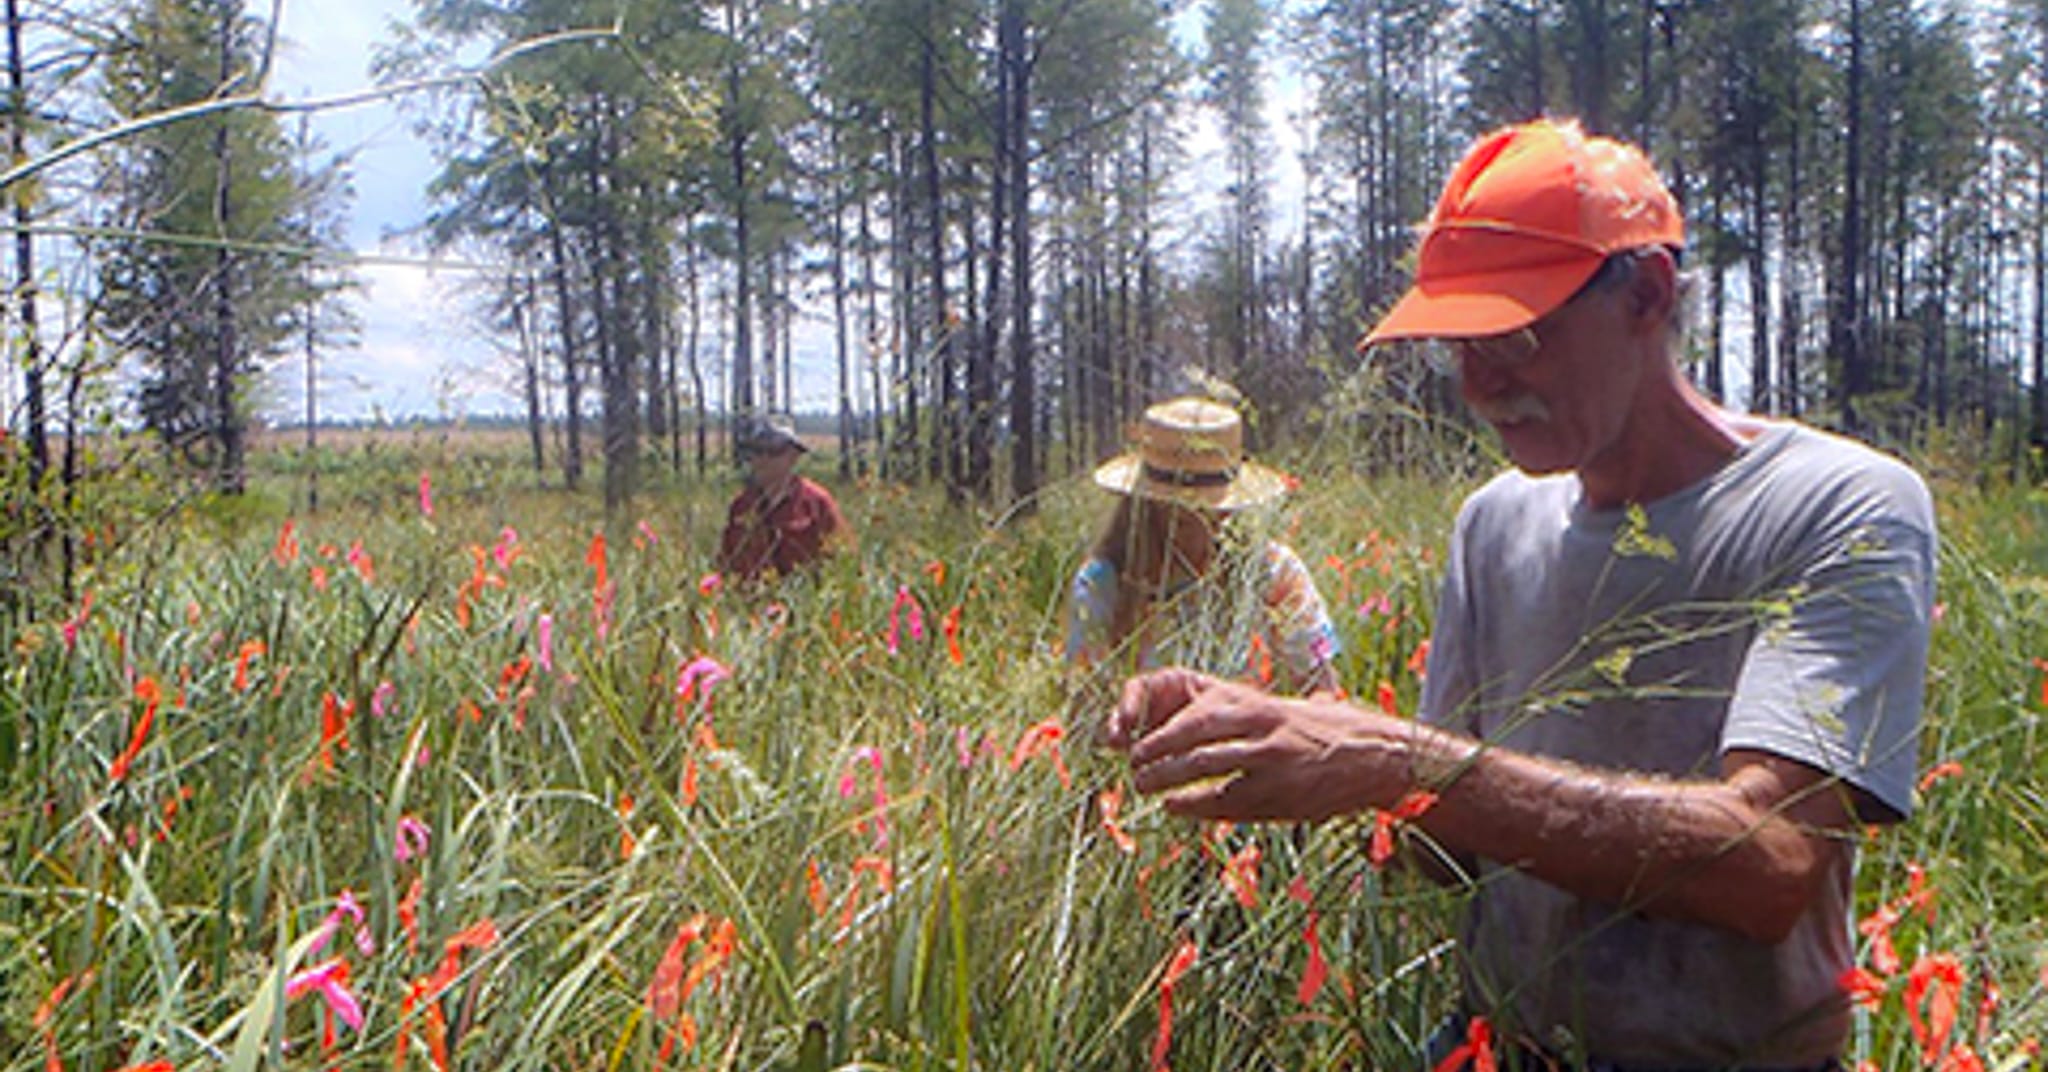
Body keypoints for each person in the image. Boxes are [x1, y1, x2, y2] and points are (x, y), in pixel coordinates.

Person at [1106, 119, 1935, 1070]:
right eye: (1454, 349)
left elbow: (1768, 864)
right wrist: (1284, 734)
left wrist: (1390, 759)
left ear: (1649, 296)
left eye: (1515, 336)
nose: (1480, 385)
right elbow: (1447, 849)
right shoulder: (1495, 523)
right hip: (1493, 1047)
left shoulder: (1837, 505)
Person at [1066, 396, 1340, 697]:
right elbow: (1086, 705)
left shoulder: (1274, 570)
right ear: (1146, 503)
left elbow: (1321, 686)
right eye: (1178, 509)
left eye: (1211, 510)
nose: (1196, 521)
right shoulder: (1103, 583)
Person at [717, 414, 851, 582]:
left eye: (774, 450)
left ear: (793, 456)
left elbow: (845, 560)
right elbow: (726, 564)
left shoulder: (817, 503)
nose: (764, 458)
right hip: (751, 604)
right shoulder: (741, 506)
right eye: (758, 451)